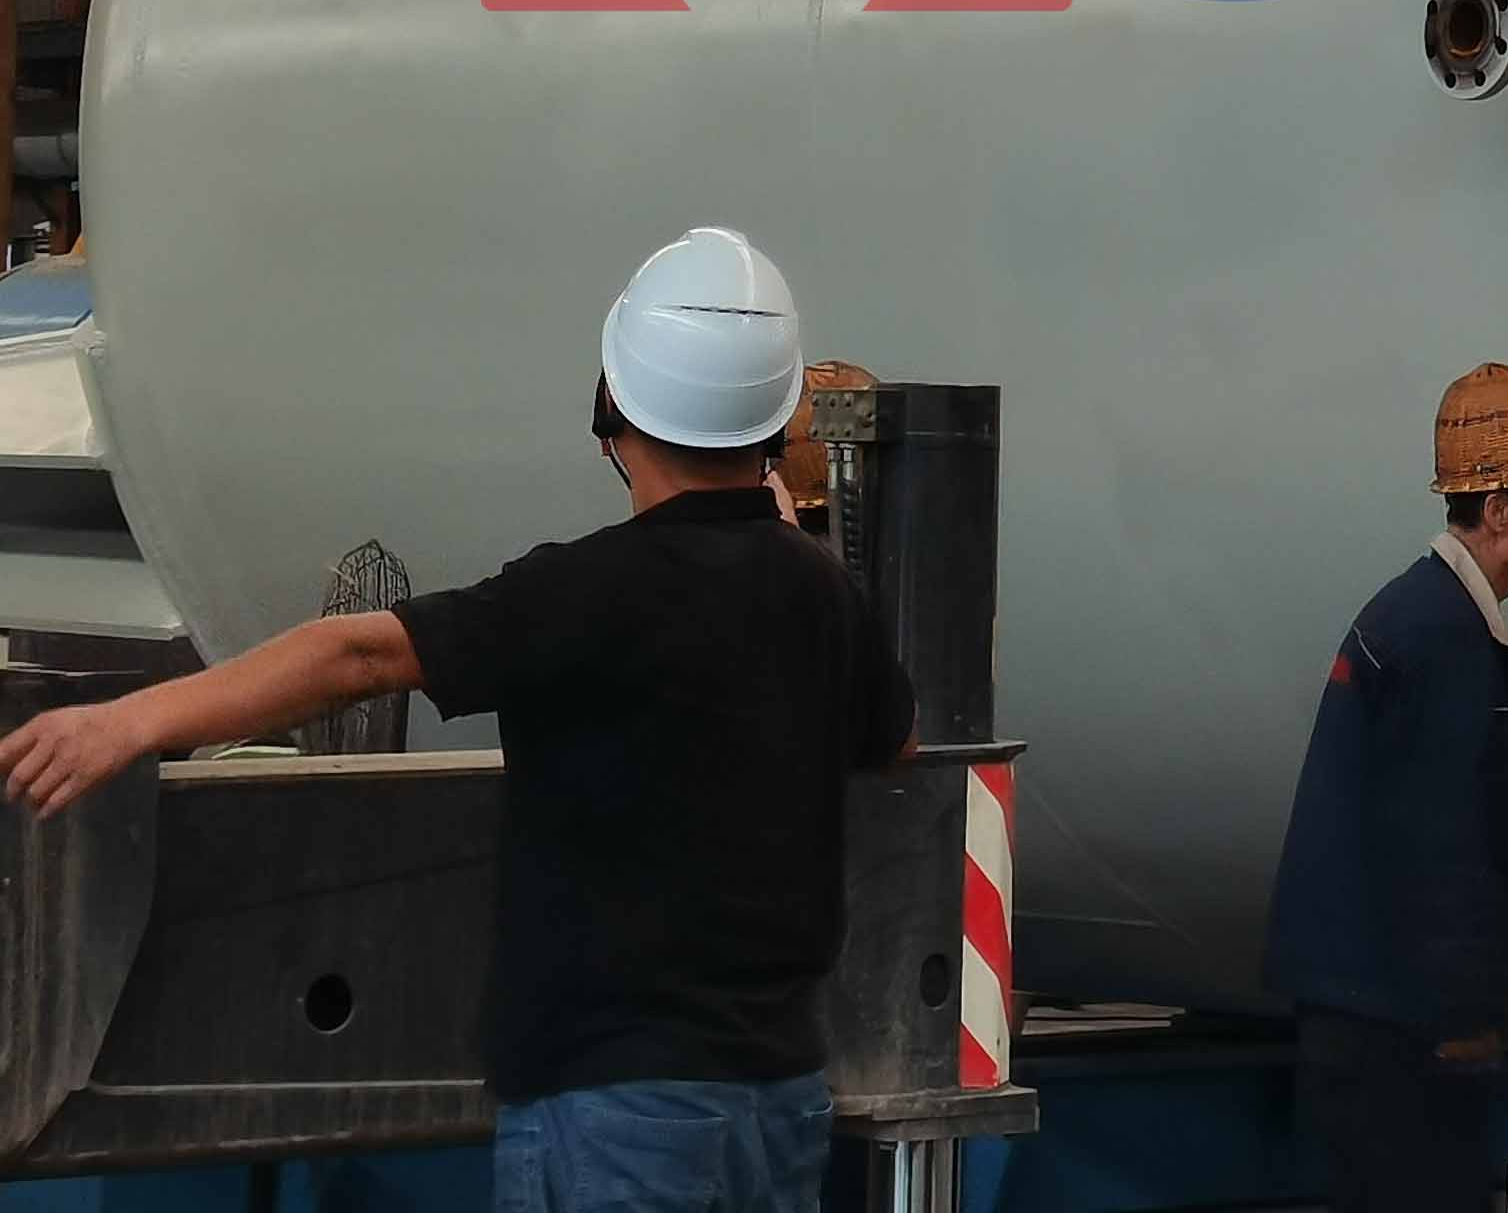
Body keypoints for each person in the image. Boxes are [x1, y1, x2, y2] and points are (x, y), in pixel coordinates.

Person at [0, 224, 912, 1213]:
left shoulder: (584, 592)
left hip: (618, 1103)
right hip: (779, 1097)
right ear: (773, 422)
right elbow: (892, 738)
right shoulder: (822, 594)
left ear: (612, 403)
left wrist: (130, 722)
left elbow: (358, 654)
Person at [1265, 364, 1508, 1213]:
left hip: (1371, 1011)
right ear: (1500, 510)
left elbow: (1475, 833)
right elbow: (1436, 847)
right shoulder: (1442, 636)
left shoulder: (1430, 616)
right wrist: (1463, 1016)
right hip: (1395, 1027)